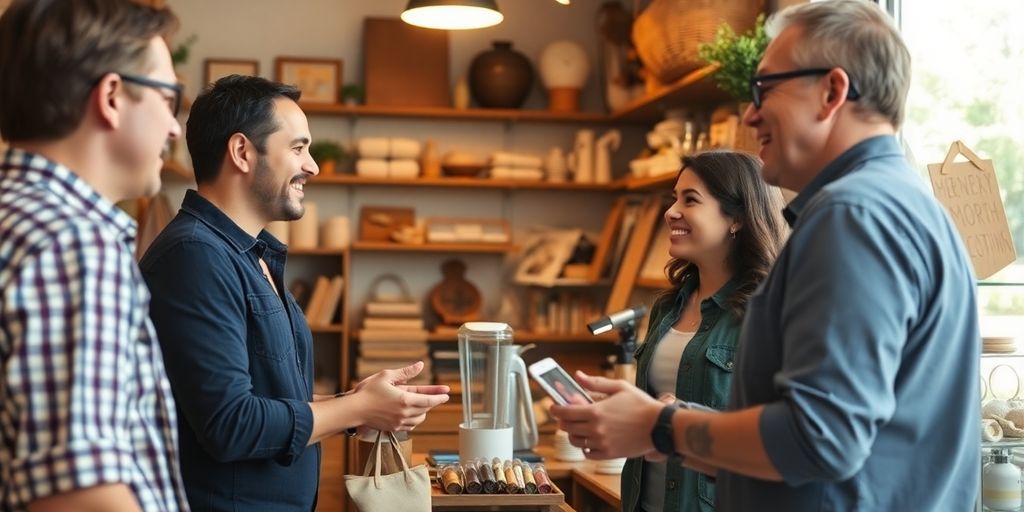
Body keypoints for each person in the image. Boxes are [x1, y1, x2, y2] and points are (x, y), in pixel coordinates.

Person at [550, 1, 980, 510]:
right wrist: (661, 428)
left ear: (831, 91)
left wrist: (662, 426)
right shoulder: (905, 204)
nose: (750, 114)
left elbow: (821, 439)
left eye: (765, 89)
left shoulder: (853, 217)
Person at [139, 75, 450, 511]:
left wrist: (360, 404)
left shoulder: (250, 254)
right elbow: (231, 424)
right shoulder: (195, 255)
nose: (313, 166)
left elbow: (269, 400)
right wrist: (359, 408)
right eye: (298, 148)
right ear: (242, 152)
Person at [0, 1, 189, 511]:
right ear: (111, 96)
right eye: (170, 98)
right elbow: (82, 494)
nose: (175, 129)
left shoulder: (15, 218)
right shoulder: (74, 241)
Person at [621, 151, 786, 512]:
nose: (670, 212)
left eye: (690, 200)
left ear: (737, 218)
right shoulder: (668, 306)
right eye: (674, 198)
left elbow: (775, 435)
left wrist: (677, 418)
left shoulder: (767, 312)